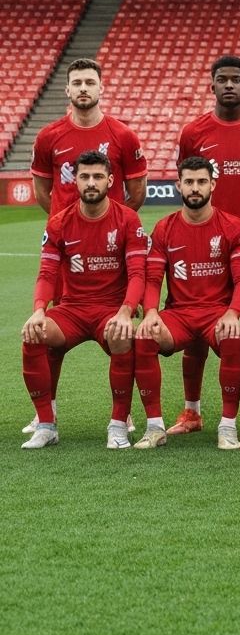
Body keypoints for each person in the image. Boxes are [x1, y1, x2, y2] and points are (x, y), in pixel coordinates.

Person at [25, 58, 147, 436]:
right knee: (52, 329)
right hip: (67, 246)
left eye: (89, 82)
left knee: (121, 333)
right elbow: (43, 190)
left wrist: (113, 225)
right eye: (76, 82)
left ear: (100, 88)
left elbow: (137, 191)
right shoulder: (49, 136)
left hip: (111, 241)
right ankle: (48, 409)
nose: (83, 88)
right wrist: (67, 218)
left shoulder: (122, 135)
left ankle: (123, 414)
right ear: (67, 89)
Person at [170, 55, 240, 437]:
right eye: (223, 79)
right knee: (196, 318)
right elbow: (191, 180)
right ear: (213, 85)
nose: (230, 85)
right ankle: (192, 411)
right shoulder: (194, 132)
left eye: (237, 79)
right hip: (203, 239)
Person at [132, 156, 240, 450]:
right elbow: (152, 280)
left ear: (213, 184)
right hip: (179, 314)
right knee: (144, 336)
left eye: (201, 182)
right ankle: (154, 428)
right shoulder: (164, 228)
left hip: (217, 313)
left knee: (233, 336)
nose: (195, 188)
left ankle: (227, 427)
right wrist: (150, 312)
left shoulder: (232, 226)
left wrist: (233, 313)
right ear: (179, 186)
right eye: (189, 182)